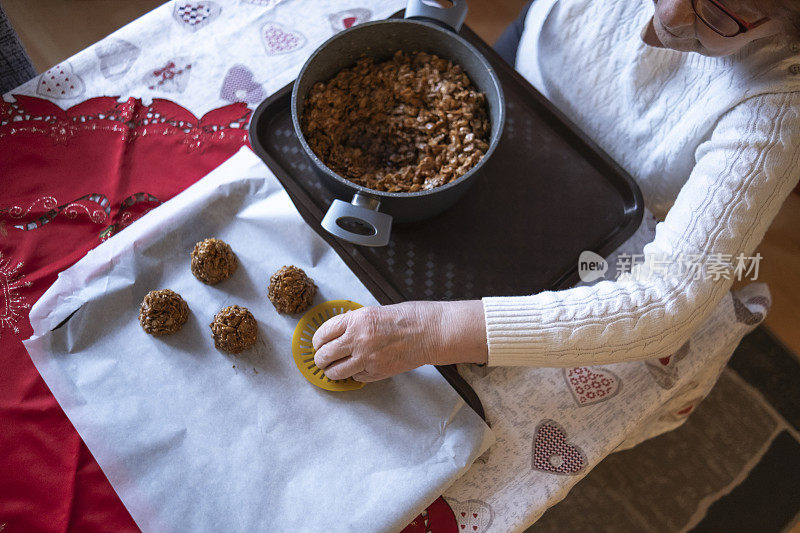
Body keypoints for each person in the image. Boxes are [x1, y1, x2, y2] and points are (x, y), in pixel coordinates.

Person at [312, 0, 800, 400]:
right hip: (527, 76)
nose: (667, 17)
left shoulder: (781, 101)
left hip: (611, 213)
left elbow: (666, 303)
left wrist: (433, 330)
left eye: (717, 12)